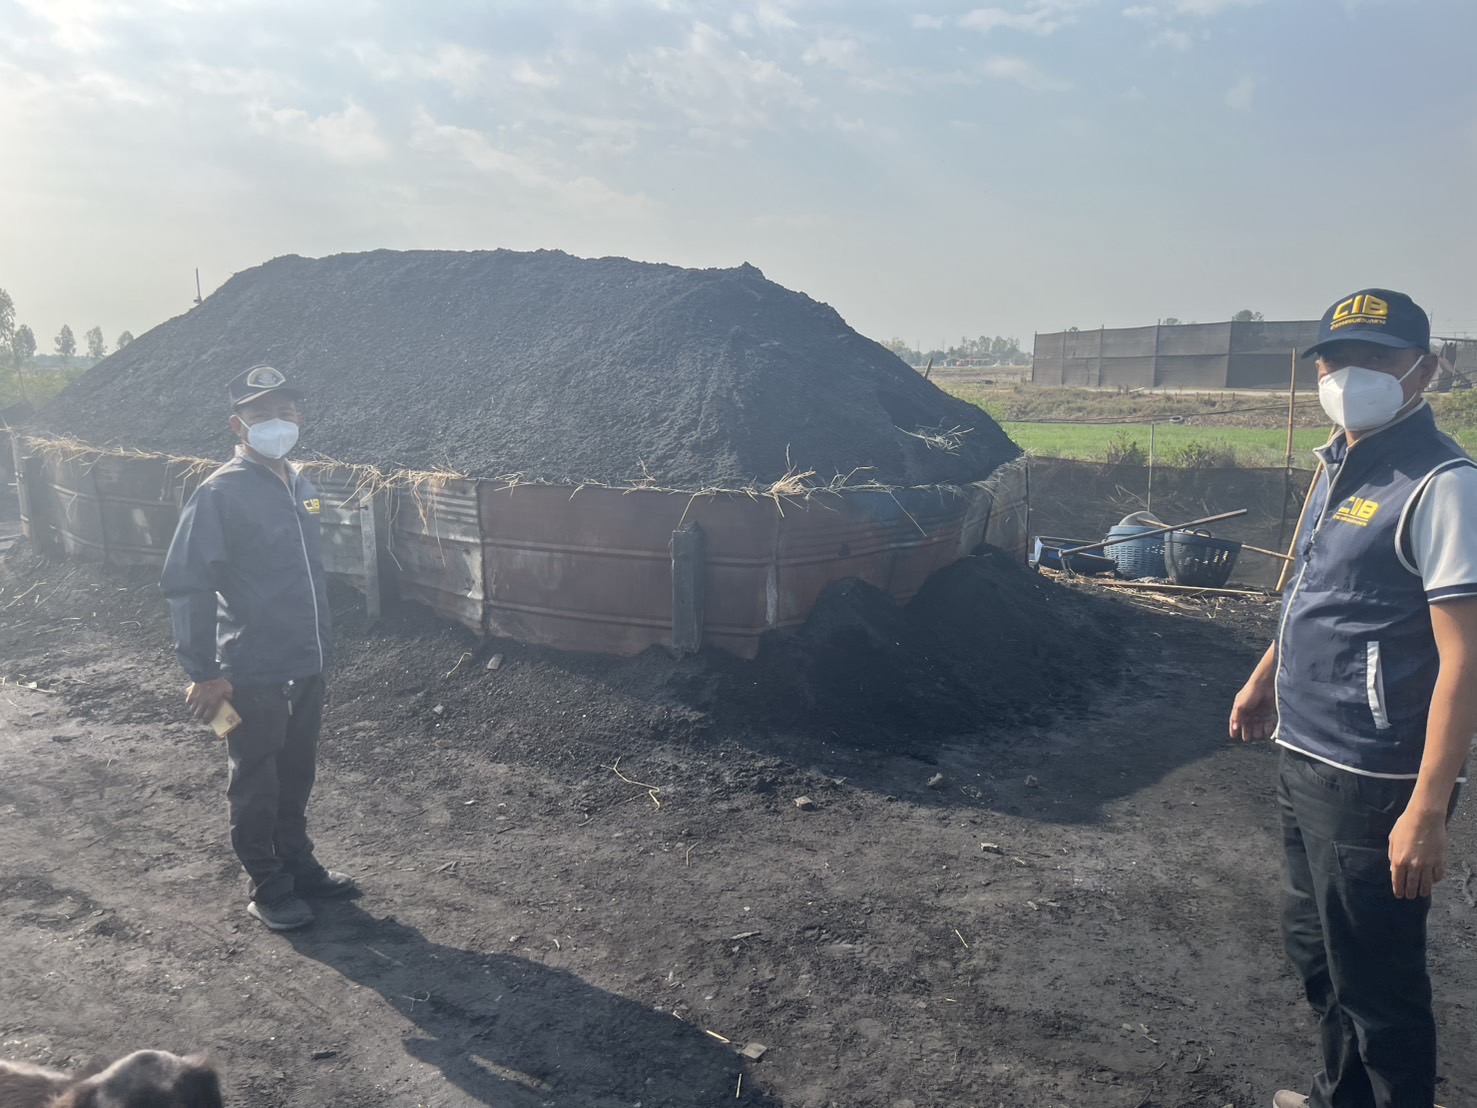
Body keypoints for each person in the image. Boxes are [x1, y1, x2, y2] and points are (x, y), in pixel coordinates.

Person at [1230, 289, 1476, 1108]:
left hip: (1372, 779)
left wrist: (1426, 810)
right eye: (1336, 359)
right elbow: (1320, 593)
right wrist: (1265, 677)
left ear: (1423, 370)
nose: (1349, 375)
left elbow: (1465, 658)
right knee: (1317, 952)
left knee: (1377, 984)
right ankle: (1338, 1097)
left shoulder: (1441, 485)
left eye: (1376, 357)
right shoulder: (1337, 464)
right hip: (1304, 752)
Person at [161, 365, 356, 931]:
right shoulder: (219, 493)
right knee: (256, 777)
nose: (277, 422)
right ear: (237, 425)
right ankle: (267, 885)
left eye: (285, 412)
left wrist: (321, 647)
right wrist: (203, 672)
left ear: (299, 418)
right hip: (250, 667)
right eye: (261, 413)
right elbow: (188, 583)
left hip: (306, 659)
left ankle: (297, 862)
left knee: (297, 770)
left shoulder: (301, 485)